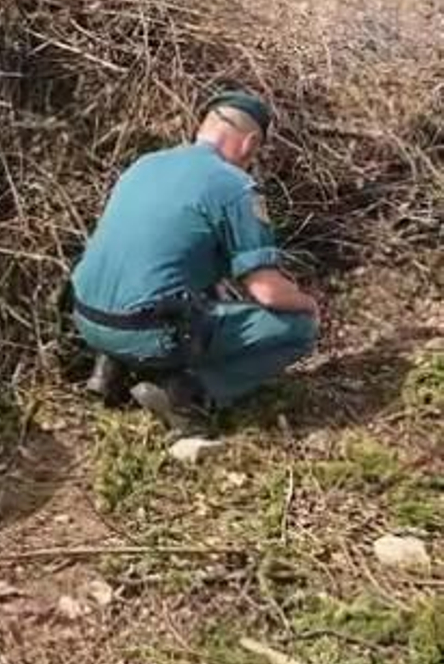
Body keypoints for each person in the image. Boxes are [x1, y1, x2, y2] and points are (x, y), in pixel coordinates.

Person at [70, 90, 320, 434]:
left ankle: (111, 367)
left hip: (86, 319)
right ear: (249, 143)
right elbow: (267, 291)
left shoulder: (145, 164)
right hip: (146, 333)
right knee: (299, 327)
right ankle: (188, 394)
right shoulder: (235, 187)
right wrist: (309, 303)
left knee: (182, 286)